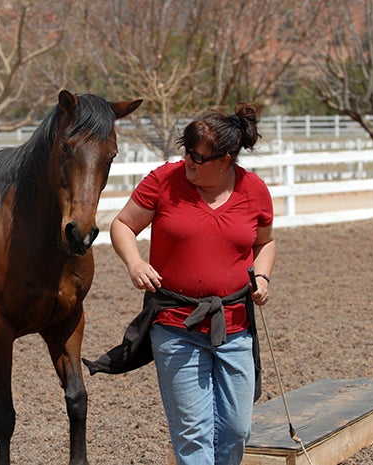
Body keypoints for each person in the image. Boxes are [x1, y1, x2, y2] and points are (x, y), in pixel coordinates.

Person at [107, 103, 275, 465]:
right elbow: (122, 224)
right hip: (175, 326)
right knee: (192, 433)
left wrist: (261, 276)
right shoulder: (163, 180)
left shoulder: (254, 189)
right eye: (187, 151)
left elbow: (265, 242)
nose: (189, 162)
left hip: (235, 326)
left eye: (199, 157)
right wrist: (135, 262)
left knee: (236, 429)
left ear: (226, 160)